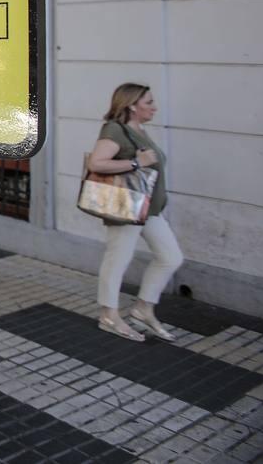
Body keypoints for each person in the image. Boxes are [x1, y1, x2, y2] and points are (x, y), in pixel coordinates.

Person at [87, 82, 183, 342]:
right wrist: (135, 162)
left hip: (149, 209)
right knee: (117, 259)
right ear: (131, 105)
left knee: (170, 257)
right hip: (126, 207)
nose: (154, 107)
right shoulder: (115, 130)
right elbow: (97, 162)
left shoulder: (138, 129)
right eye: (149, 102)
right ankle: (109, 315)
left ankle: (143, 308)